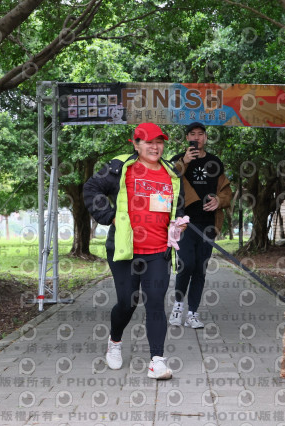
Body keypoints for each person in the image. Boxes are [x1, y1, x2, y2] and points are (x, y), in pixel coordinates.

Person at [83, 122, 186, 380]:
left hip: (158, 251)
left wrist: (179, 223)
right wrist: (110, 217)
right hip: (125, 250)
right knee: (127, 302)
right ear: (136, 144)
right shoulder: (120, 166)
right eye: (149, 142)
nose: (155, 147)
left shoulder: (171, 172)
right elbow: (91, 188)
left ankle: (157, 361)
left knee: (155, 302)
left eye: (159, 142)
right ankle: (115, 341)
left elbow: (177, 205)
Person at [168, 122, 232, 329]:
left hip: (208, 224)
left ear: (205, 137)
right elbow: (168, 181)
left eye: (201, 134)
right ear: (187, 138)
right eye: (192, 134)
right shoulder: (177, 160)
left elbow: (226, 190)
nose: (197, 137)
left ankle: (192, 313)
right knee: (186, 264)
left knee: (200, 269)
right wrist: (184, 162)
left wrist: (219, 201)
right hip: (184, 223)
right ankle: (178, 307)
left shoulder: (215, 162)